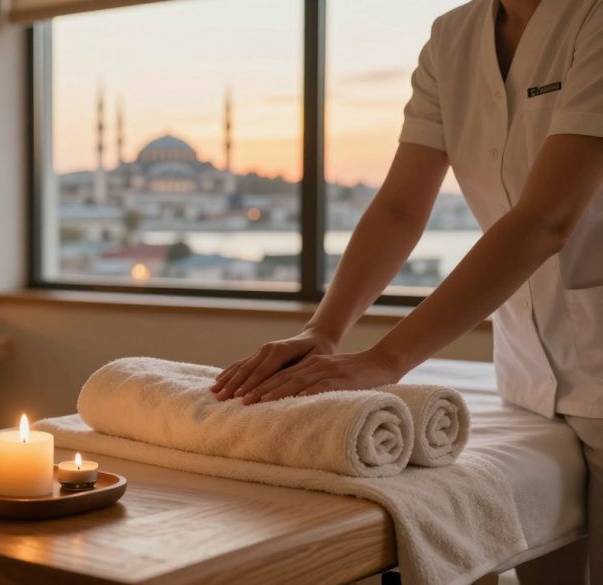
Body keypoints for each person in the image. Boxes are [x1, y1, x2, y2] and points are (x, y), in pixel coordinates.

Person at [211, 0, 603, 582]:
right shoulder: (452, 37)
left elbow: (546, 219)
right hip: (528, 375)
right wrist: (324, 331)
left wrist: (387, 358)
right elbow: (398, 207)